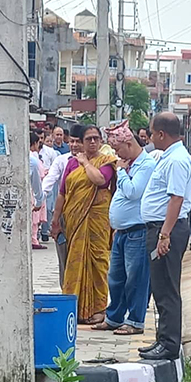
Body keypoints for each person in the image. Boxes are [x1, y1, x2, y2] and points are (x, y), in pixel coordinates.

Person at [137, 112, 191, 361]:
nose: (150, 138)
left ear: (161, 134)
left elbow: (177, 198)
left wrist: (164, 235)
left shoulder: (177, 160)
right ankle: (163, 338)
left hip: (166, 229)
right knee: (160, 287)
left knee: (167, 288)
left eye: (151, 133)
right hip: (162, 227)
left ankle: (170, 344)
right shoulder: (171, 157)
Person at [50, 124, 118, 324]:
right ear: (81, 141)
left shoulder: (107, 162)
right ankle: (74, 307)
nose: (92, 142)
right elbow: (63, 192)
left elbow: (99, 180)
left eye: (96, 138)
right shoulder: (71, 164)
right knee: (73, 263)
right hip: (74, 221)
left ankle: (98, 308)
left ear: (101, 141)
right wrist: (55, 220)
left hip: (97, 221)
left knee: (98, 263)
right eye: (88, 139)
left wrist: (86, 163)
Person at [95, 122, 158, 335]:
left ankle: (135, 321)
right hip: (121, 231)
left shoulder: (145, 165)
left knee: (136, 279)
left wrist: (121, 172)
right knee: (116, 277)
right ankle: (114, 317)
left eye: (118, 149)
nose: (116, 155)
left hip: (137, 231)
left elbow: (133, 191)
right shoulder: (129, 164)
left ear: (129, 144)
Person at [45, 124, 84, 284]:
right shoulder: (62, 161)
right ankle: (67, 294)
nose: (74, 145)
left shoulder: (96, 163)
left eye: (78, 142)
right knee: (65, 260)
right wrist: (39, 198)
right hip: (65, 216)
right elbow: (51, 180)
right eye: (72, 141)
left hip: (86, 217)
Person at [29, 131, 47, 250]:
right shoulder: (33, 159)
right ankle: (33, 240)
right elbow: (38, 176)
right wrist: (39, 200)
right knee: (34, 218)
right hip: (32, 191)